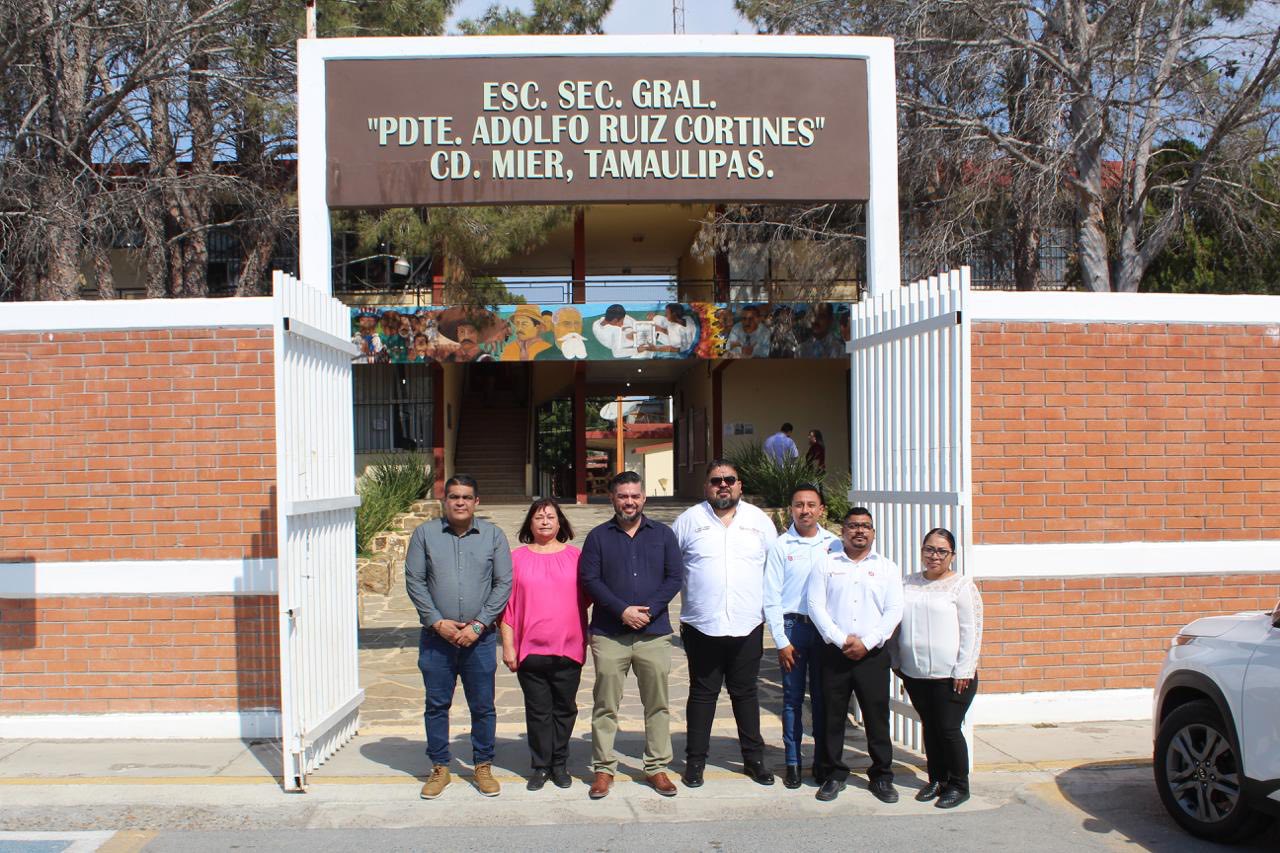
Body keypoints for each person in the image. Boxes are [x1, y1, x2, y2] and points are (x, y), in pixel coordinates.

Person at [405, 475, 513, 800]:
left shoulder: (493, 536)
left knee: (483, 706)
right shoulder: (425, 535)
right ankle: (440, 766)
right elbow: (415, 581)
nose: (460, 502)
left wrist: (479, 625)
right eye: (454, 497)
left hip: (479, 640)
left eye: (467, 497)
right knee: (437, 704)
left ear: (477, 502)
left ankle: (482, 765)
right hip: (437, 638)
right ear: (445, 500)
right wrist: (438, 623)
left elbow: (503, 583)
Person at [671, 460, 778, 788]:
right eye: (716, 480)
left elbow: (774, 573)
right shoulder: (688, 521)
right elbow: (670, 570)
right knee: (702, 694)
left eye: (729, 480)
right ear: (707, 486)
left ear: (739, 485)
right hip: (703, 624)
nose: (723, 485)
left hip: (747, 624)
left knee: (745, 694)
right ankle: (696, 761)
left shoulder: (759, 522)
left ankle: (753, 759)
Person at [579, 471, 684, 799]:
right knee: (606, 704)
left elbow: (674, 577)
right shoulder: (598, 537)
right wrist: (622, 610)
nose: (629, 501)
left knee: (657, 704)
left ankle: (656, 767)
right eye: (623, 496)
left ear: (644, 499)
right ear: (612, 498)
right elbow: (590, 580)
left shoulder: (664, 535)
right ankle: (604, 769)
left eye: (635, 496)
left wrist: (648, 610)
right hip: (610, 634)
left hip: (654, 634)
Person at [807, 507, 904, 804]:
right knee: (832, 717)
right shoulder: (825, 564)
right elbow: (815, 605)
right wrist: (840, 640)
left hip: (872, 655)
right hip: (834, 653)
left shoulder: (887, 568)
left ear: (873, 533)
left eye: (865, 526)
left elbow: (894, 611)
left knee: (877, 718)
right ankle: (834, 774)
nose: (859, 531)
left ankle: (882, 776)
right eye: (853, 526)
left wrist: (868, 641)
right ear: (843, 531)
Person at [500, 499, 588, 792]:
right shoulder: (516, 559)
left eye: (551, 516)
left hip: (568, 648)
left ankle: (559, 763)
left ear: (560, 522)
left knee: (565, 710)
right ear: (530, 524)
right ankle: (540, 766)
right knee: (538, 711)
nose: (545, 521)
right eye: (539, 517)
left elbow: (589, 598)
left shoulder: (577, 558)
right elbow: (508, 608)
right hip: (530, 651)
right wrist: (508, 647)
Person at [893, 527, 983, 809]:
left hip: (953, 676)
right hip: (916, 674)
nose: (934, 556)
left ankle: (958, 784)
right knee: (930, 727)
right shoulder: (907, 583)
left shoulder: (961, 586)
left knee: (948, 728)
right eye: (929, 549)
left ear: (952, 556)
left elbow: (972, 630)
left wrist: (964, 670)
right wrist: (897, 663)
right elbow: (895, 626)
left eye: (941, 551)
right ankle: (937, 778)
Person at [763, 484, 839, 788]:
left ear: (821, 510)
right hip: (793, 628)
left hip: (823, 631)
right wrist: (781, 641)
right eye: (798, 505)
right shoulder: (781, 546)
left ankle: (822, 761)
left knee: (822, 698)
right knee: (792, 699)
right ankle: (793, 761)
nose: (804, 510)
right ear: (790, 509)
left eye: (811, 505)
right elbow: (771, 597)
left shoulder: (833, 545)